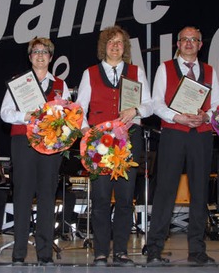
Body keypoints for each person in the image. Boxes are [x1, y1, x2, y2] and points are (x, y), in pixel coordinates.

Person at [76, 26, 153, 267]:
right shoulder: (89, 73)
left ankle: (121, 251)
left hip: (128, 142)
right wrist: (87, 132)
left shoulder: (136, 72)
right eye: (111, 42)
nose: (115, 46)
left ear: (125, 47)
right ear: (103, 46)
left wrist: (136, 110)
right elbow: (79, 108)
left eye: (120, 42)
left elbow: (150, 104)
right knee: (100, 199)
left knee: (124, 198)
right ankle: (100, 252)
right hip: (99, 144)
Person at [146, 26, 219, 266]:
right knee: (165, 192)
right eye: (184, 39)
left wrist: (206, 116)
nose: (189, 43)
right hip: (174, 134)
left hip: (201, 135)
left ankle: (197, 250)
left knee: (200, 193)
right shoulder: (165, 68)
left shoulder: (210, 70)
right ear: (177, 44)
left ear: (201, 45)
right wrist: (176, 117)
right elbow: (156, 103)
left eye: (194, 40)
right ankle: (154, 249)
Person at [0, 37, 70, 266]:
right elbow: (4, 113)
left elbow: (69, 118)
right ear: (30, 57)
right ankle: (18, 253)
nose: (40, 56)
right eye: (36, 52)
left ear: (51, 57)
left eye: (45, 52)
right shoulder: (19, 83)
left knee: (48, 197)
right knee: (22, 196)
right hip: (23, 142)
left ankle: (45, 254)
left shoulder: (61, 84)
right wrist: (25, 116)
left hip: (51, 146)